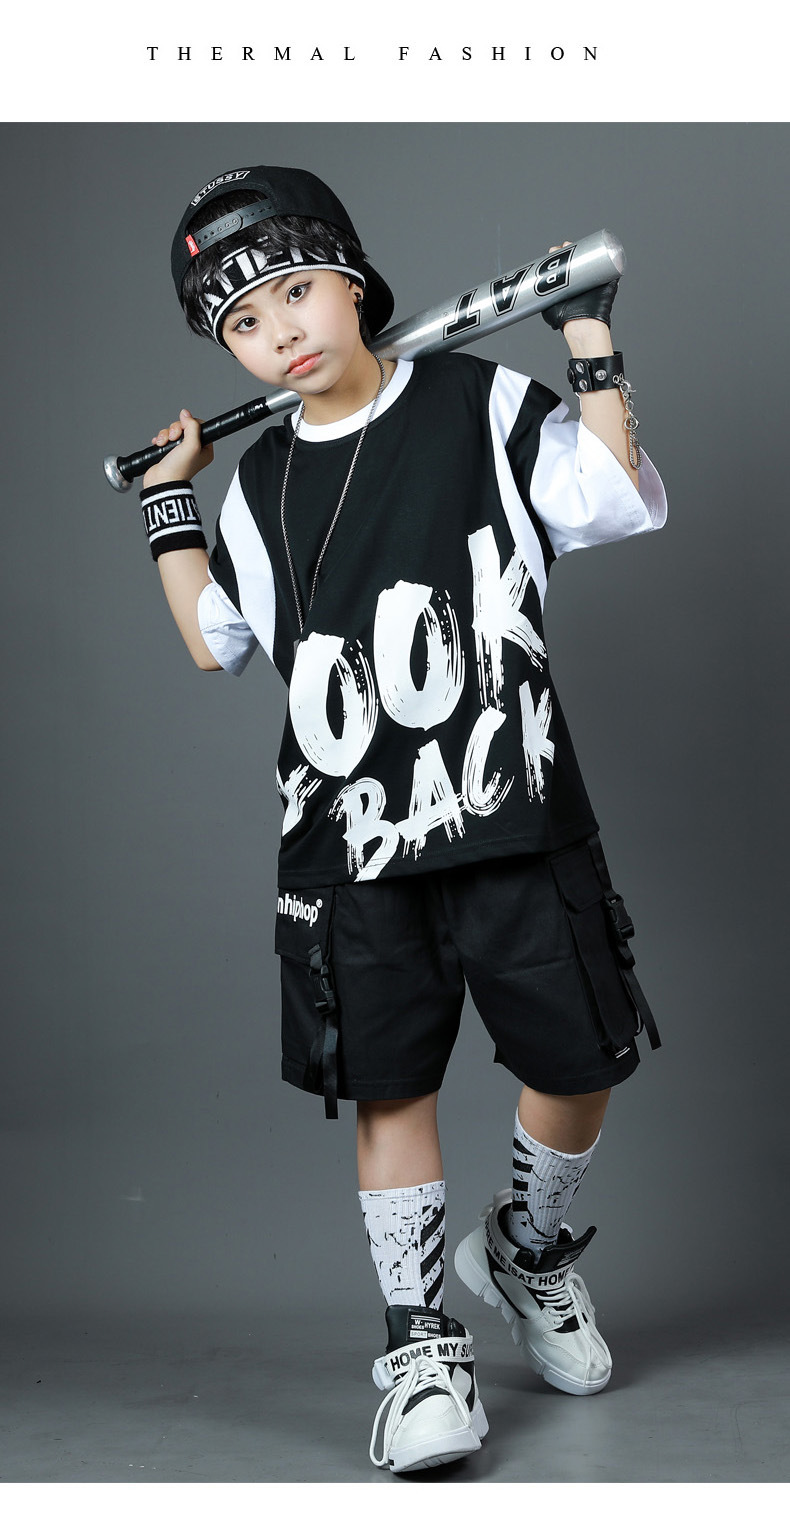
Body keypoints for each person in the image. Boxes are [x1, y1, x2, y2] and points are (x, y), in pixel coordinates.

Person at [139, 163, 667, 1475]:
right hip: (349, 842)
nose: (280, 332)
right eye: (243, 322)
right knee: (392, 1089)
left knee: (580, 1063)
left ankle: (526, 1251)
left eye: (296, 292)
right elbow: (215, 639)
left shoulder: (478, 403)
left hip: (515, 808)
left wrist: (587, 339)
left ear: (353, 281)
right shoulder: (261, 485)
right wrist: (171, 502)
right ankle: (421, 1347)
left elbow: (607, 497)